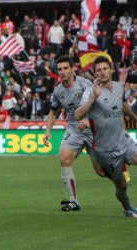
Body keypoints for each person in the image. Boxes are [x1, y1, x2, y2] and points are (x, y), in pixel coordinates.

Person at [75, 56, 137, 218]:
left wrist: (135, 117)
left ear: (111, 69)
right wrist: (94, 97)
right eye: (98, 70)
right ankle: (127, 207)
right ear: (95, 73)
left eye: (105, 68)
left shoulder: (118, 87)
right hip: (105, 150)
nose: (102, 72)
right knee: (121, 184)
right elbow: (78, 114)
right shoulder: (90, 91)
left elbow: (122, 105)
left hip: (123, 140)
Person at [43, 56, 106, 212]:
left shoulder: (85, 84)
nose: (62, 72)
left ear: (72, 69)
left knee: (102, 172)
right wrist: (47, 131)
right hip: (73, 128)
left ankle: (123, 166)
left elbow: (101, 104)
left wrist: (90, 119)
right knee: (64, 157)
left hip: (92, 128)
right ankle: (73, 201)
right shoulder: (58, 91)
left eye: (65, 68)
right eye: (59, 69)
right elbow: (53, 112)